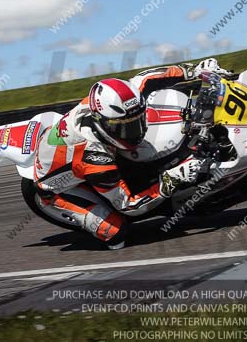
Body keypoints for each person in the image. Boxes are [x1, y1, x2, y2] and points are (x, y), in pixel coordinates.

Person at [32, 58, 230, 248]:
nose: (136, 131)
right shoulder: (95, 157)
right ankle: (64, 205)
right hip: (57, 189)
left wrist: (194, 70)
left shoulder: (117, 103)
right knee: (116, 235)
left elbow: (148, 77)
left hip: (66, 149)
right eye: (124, 127)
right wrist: (172, 179)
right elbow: (129, 206)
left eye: (137, 121)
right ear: (101, 122)